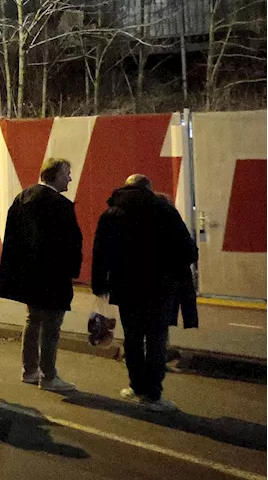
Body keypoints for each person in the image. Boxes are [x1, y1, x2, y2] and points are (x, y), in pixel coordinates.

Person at [92, 174, 196, 412]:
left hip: (126, 287)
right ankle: (153, 394)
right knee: (157, 338)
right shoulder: (166, 212)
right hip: (160, 288)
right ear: (149, 189)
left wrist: (100, 284)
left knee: (133, 338)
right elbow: (188, 250)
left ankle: (135, 387)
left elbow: (101, 253)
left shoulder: (112, 214)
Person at [0, 158, 82, 392]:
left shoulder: (23, 198)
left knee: (33, 320)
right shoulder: (59, 204)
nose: (70, 178)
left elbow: (13, 238)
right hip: (53, 275)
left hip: (28, 275)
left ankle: (30, 370)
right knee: (52, 326)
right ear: (54, 175)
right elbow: (70, 243)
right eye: (67, 173)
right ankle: (49, 376)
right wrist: (73, 271)